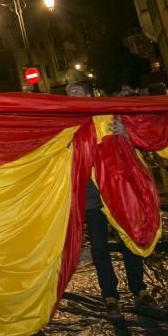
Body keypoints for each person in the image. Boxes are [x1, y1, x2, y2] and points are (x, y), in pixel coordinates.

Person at [67, 81, 154, 317]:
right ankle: (110, 295)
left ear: (89, 95)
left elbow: (133, 141)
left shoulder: (108, 115)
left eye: (76, 93)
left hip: (118, 190)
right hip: (91, 195)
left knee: (129, 238)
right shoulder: (67, 126)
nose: (71, 96)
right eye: (68, 94)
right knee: (99, 246)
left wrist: (126, 133)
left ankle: (139, 289)